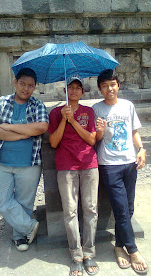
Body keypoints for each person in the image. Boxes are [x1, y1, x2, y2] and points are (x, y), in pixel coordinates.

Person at [0, 68, 49, 252]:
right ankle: (29, 226)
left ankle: (20, 236)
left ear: (34, 87)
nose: (26, 88)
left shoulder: (37, 106)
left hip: (29, 164)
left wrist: (9, 128)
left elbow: (42, 127)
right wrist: (23, 134)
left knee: (25, 202)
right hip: (2, 162)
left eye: (30, 85)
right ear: (15, 82)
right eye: (23, 84)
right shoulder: (1, 102)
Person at [92, 69, 148, 275]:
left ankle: (118, 246)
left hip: (129, 162)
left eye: (112, 84)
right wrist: (99, 129)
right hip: (108, 164)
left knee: (129, 206)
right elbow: (96, 139)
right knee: (121, 208)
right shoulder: (96, 109)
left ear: (118, 85)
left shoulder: (128, 106)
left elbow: (134, 131)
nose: (109, 89)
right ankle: (132, 250)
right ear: (100, 89)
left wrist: (141, 149)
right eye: (105, 85)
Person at [48, 76, 99, 276]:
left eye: (78, 88)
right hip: (66, 165)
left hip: (88, 164)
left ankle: (89, 252)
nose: (75, 91)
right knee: (70, 211)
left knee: (90, 208)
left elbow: (92, 139)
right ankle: (76, 255)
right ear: (65, 91)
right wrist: (63, 119)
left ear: (83, 93)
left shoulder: (88, 111)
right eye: (71, 88)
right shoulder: (54, 112)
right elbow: (53, 142)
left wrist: (73, 121)